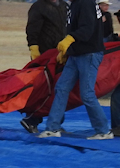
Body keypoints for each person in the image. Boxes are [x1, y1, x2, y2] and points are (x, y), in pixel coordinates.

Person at [38, 0, 113, 140]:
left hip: (89, 54)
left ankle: (103, 131)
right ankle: (53, 128)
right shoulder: (75, 4)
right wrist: (68, 51)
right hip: (77, 53)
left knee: (87, 94)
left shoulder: (84, 2)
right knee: (61, 88)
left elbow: (87, 29)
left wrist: (69, 39)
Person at [21, 0, 68, 133]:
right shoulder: (39, 6)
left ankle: (56, 122)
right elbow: (32, 29)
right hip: (44, 55)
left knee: (60, 88)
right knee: (44, 89)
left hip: (60, 54)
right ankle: (31, 119)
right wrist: (34, 48)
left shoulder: (64, 6)